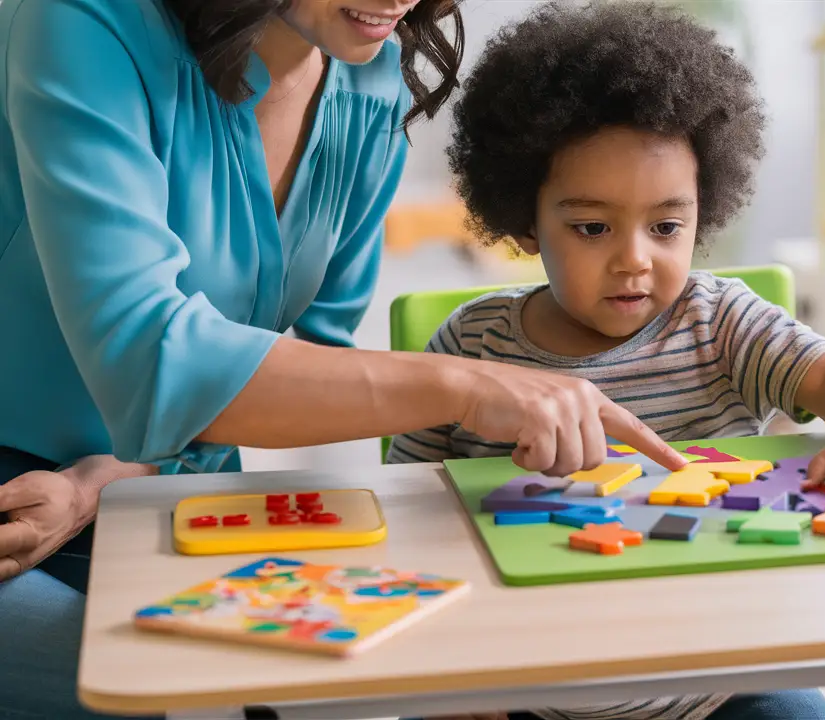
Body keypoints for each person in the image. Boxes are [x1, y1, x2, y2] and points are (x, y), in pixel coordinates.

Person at [0, 0, 686, 717]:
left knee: (297, 683)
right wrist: (465, 384)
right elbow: (149, 351)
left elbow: (301, 364)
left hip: (152, 486)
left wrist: (110, 481)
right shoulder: (78, 22)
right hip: (15, 495)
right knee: (161, 697)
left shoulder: (369, 79)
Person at [386, 3, 825, 719]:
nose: (634, 259)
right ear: (524, 216)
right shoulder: (474, 346)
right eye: (592, 227)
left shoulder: (722, 322)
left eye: (667, 225)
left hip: (724, 683)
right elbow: (407, 511)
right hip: (523, 686)